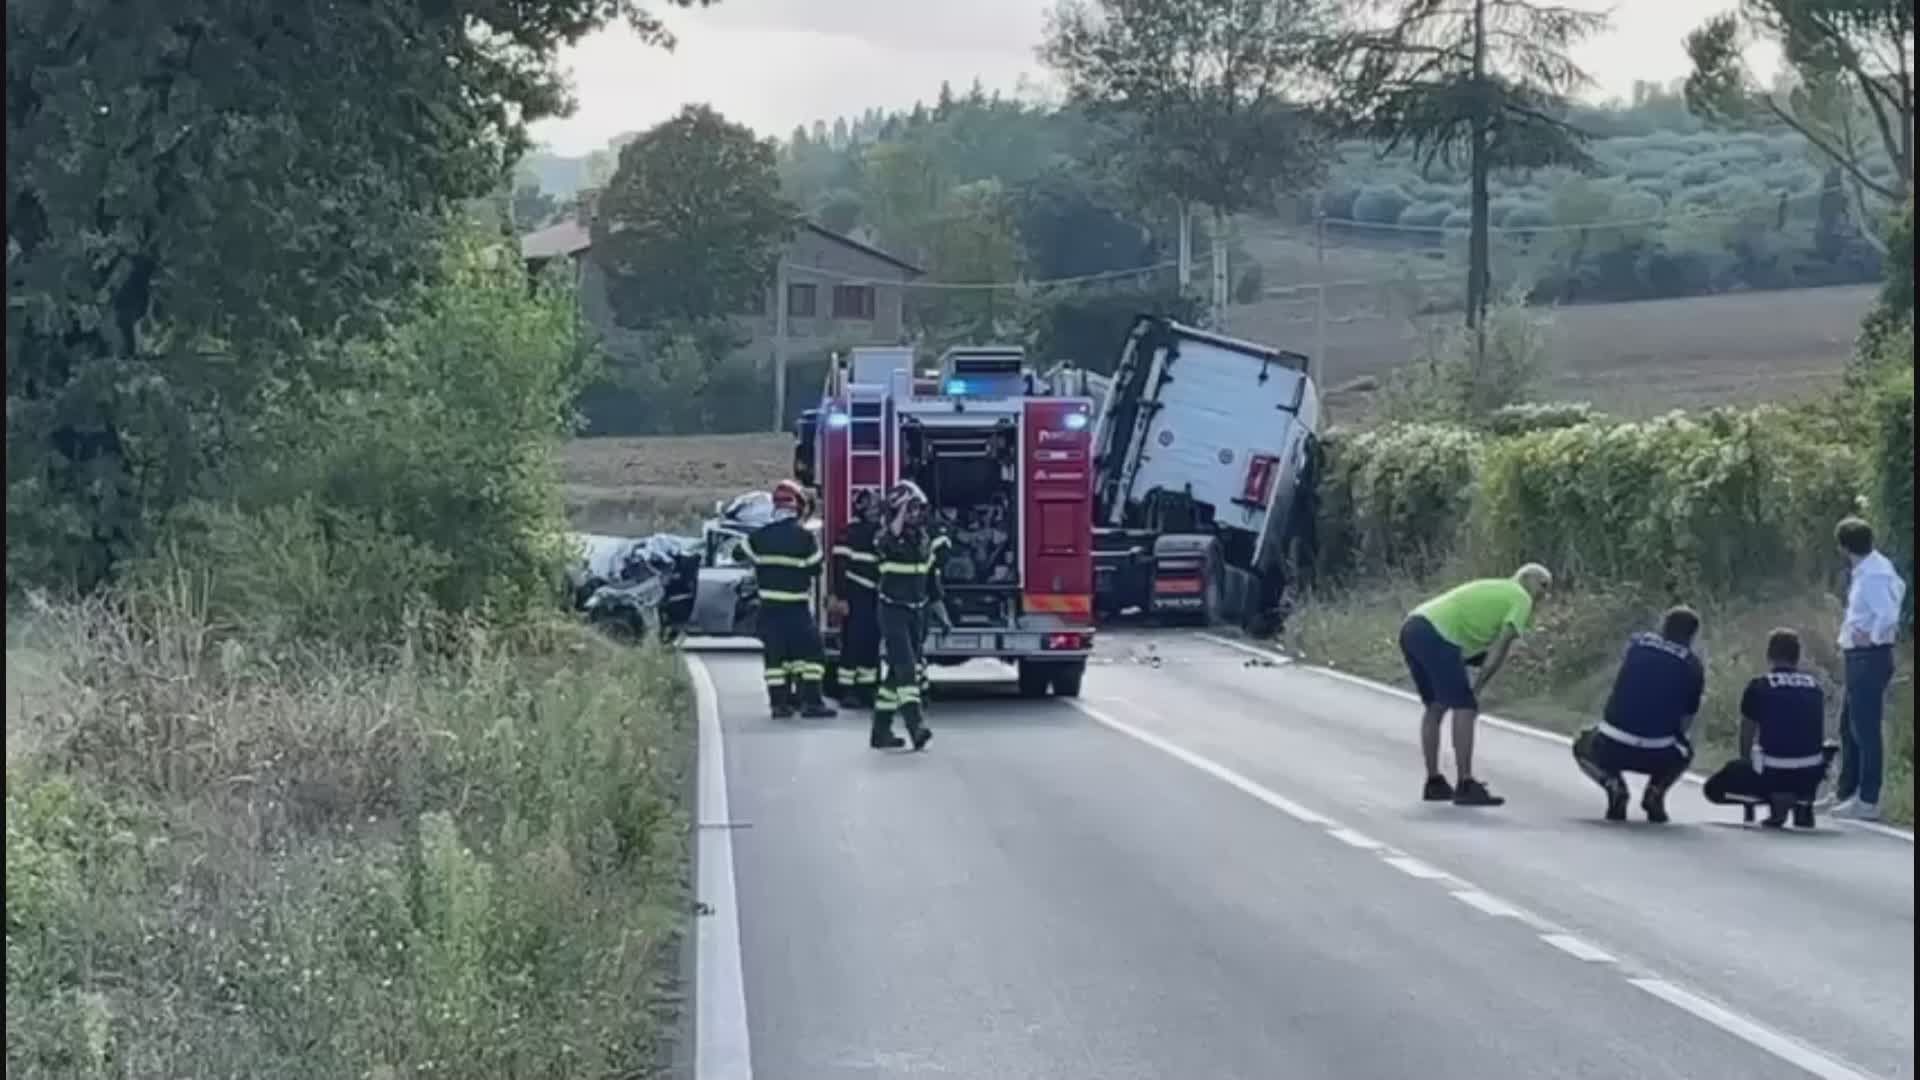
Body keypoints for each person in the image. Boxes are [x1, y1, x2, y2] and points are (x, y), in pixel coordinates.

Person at [1399, 563, 1554, 807]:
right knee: (1465, 707)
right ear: (1526, 579)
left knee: (1436, 706)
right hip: (1438, 634)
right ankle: (1465, 784)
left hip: (1413, 627)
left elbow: (1478, 642)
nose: (1544, 594)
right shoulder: (1520, 597)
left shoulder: (1499, 588)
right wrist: (1478, 687)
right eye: (1542, 585)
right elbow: (1500, 647)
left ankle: (1434, 782)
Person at [1572, 606, 1705, 824]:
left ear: (1663, 626)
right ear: (1692, 636)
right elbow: (1687, 717)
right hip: (1659, 752)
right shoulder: (1693, 665)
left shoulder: (1638, 645)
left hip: (1612, 744)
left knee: (1582, 744)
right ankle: (1656, 790)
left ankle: (1612, 784)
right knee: (1686, 751)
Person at [1704, 628, 1838, 829]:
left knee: (1713, 788)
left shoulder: (1759, 686)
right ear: (1797, 656)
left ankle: (1772, 798)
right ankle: (1802, 799)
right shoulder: (1815, 687)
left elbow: (1747, 733)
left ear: (1769, 655)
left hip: (1772, 773)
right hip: (1809, 773)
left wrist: (1747, 764)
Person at [1827, 517, 1907, 822]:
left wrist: (1873, 636)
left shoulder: (1873, 574)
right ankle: (1847, 791)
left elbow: (1887, 614)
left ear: (1844, 547)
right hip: (1861, 656)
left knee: (1865, 728)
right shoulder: (1876, 568)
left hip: (1868, 656)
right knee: (1849, 725)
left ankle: (1868, 798)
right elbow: (1899, 589)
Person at [741, 480, 836, 720]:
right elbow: (816, 568)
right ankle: (811, 703)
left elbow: (738, 552)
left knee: (776, 661)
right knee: (812, 656)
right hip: (796, 610)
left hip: (769, 610)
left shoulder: (760, 536)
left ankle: (779, 705)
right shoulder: (805, 539)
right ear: (798, 508)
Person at [871, 481, 937, 751]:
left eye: (918, 509)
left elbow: (930, 578)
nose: (916, 514)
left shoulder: (922, 540)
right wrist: (899, 511)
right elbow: (889, 538)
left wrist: (939, 609)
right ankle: (916, 726)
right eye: (910, 510)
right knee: (907, 671)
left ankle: (880, 730)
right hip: (893, 611)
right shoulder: (884, 538)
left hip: (917, 612)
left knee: (895, 677)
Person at [830, 490, 883, 708]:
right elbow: (839, 567)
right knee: (852, 643)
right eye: (873, 508)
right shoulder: (848, 533)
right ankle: (848, 690)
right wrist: (841, 597)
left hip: (875, 596)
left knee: (871, 644)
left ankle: (866, 689)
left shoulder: (881, 534)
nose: (876, 512)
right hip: (855, 595)